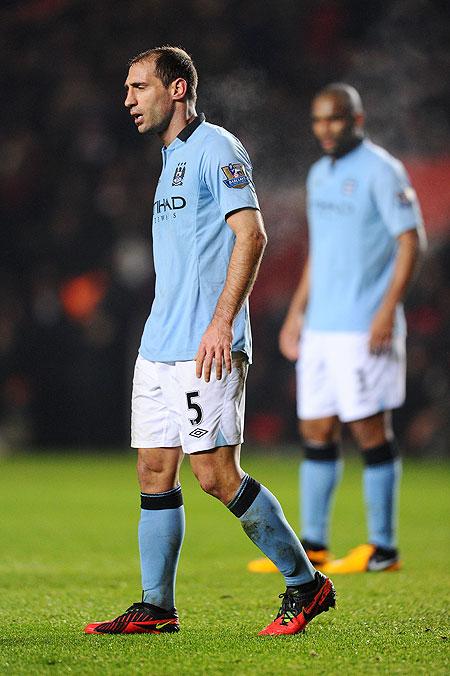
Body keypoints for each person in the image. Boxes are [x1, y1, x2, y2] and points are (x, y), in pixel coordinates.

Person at [84, 47, 335, 636]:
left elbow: (252, 234)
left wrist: (223, 322)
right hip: (158, 345)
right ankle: (157, 607)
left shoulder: (216, 146)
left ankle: (307, 585)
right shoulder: (170, 156)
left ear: (176, 90)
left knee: (218, 476)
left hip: (205, 345)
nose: (128, 99)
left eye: (139, 87)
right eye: (126, 88)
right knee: (153, 472)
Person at [249, 83, 425, 576]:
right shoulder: (319, 173)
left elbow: (411, 242)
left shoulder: (381, 170)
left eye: (335, 119)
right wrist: (297, 312)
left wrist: (388, 310)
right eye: (318, 120)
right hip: (322, 327)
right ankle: (315, 545)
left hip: (364, 325)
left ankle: (383, 548)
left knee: (369, 428)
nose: (325, 129)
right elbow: (320, 252)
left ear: (357, 119)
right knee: (315, 429)